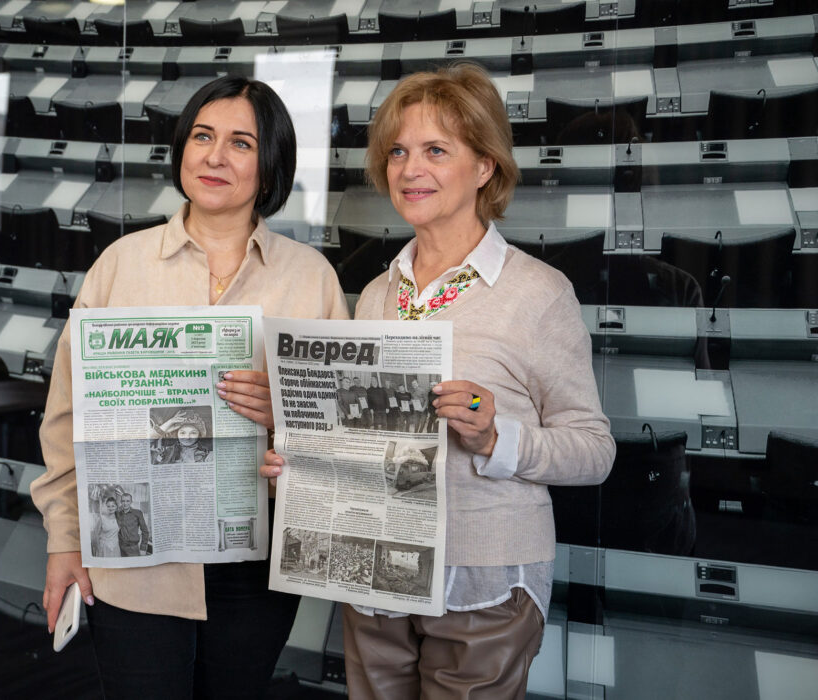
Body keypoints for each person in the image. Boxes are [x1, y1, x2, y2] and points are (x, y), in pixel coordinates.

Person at [262, 63, 615, 699]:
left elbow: (594, 450)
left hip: (484, 578)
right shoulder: (375, 294)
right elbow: (356, 438)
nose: (408, 168)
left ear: (485, 166)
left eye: (435, 150)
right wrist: (304, 462)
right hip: (372, 569)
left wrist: (494, 437)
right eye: (397, 151)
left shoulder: (537, 292)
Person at [33, 75, 349, 699]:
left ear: (271, 164)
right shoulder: (120, 264)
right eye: (203, 136)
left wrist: (282, 416)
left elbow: (343, 437)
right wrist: (64, 540)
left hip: (254, 571)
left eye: (240, 143)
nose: (214, 156)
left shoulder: (311, 279)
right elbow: (67, 421)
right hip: (135, 558)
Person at [115, 492, 149, 557]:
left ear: (131, 502)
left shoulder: (138, 513)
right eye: (123, 501)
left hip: (133, 548)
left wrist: (143, 548)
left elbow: (145, 531)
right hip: (120, 548)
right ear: (121, 502)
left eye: (127, 501)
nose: (125, 503)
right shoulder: (118, 514)